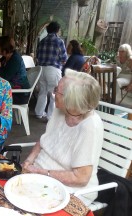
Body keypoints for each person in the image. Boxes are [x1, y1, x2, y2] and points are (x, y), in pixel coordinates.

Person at [22, 69, 103, 206]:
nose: (53, 94)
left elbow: (81, 178)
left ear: (71, 100)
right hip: (39, 177)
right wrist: (29, 161)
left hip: (69, 189)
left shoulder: (90, 126)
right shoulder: (60, 111)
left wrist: (40, 172)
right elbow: (43, 140)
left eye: (57, 91)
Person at [35, 21, 67, 120]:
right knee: (55, 93)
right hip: (53, 69)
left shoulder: (42, 41)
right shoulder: (59, 41)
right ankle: (51, 117)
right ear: (57, 30)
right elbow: (64, 58)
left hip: (41, 69)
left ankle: (39, 113)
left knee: (43, 92)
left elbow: (37, 56)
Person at [0, 36, 30, 104]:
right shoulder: (5, 58)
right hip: (11, 90)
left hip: (19, 94)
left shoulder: (15, 59)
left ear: (3, 47)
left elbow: (4, 78)